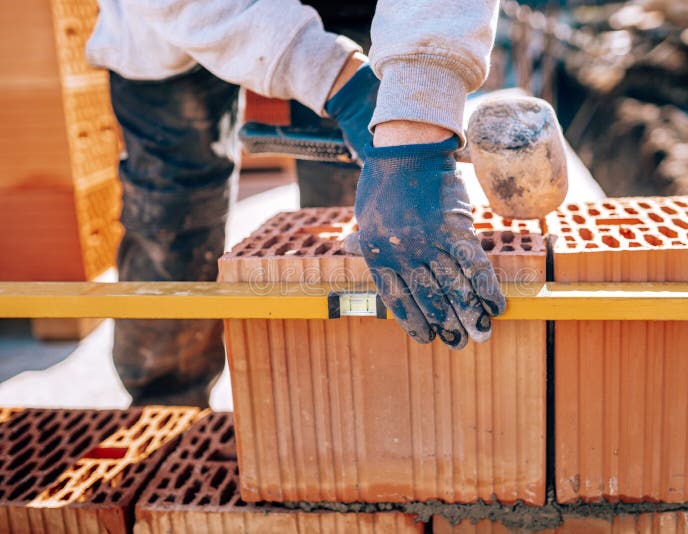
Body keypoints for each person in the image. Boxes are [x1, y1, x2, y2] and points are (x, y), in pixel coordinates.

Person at [87, 0, 507, 406]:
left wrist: (412, 122)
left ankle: (353, 408)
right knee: (172, 212)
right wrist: (332, 75)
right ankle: (166, 403)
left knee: (359, 237)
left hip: (356, 12)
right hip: (174, 21)